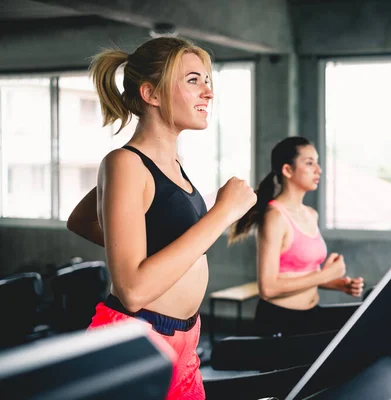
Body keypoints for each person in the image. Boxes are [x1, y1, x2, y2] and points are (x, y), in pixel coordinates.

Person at [67, 37, 256, 400]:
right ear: (151, 94)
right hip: (134, 341)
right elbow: (133, 291)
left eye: (207, 81)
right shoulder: (124, 163)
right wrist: (222, 213)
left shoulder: (173, 165)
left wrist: (146, 247)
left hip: (184, 342)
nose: (208, 93)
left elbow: (79, 220)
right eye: (193, 80)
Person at [229, 136, 364, 337]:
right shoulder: (274, 217)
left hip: (311, 314)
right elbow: (268, 288)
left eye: (317, 162)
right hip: (280, 321)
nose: (318, 169)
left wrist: (339, 284)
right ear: (288, 170)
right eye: (309, 163)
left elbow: (306, 274)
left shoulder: (310, 214)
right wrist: (325, 275)